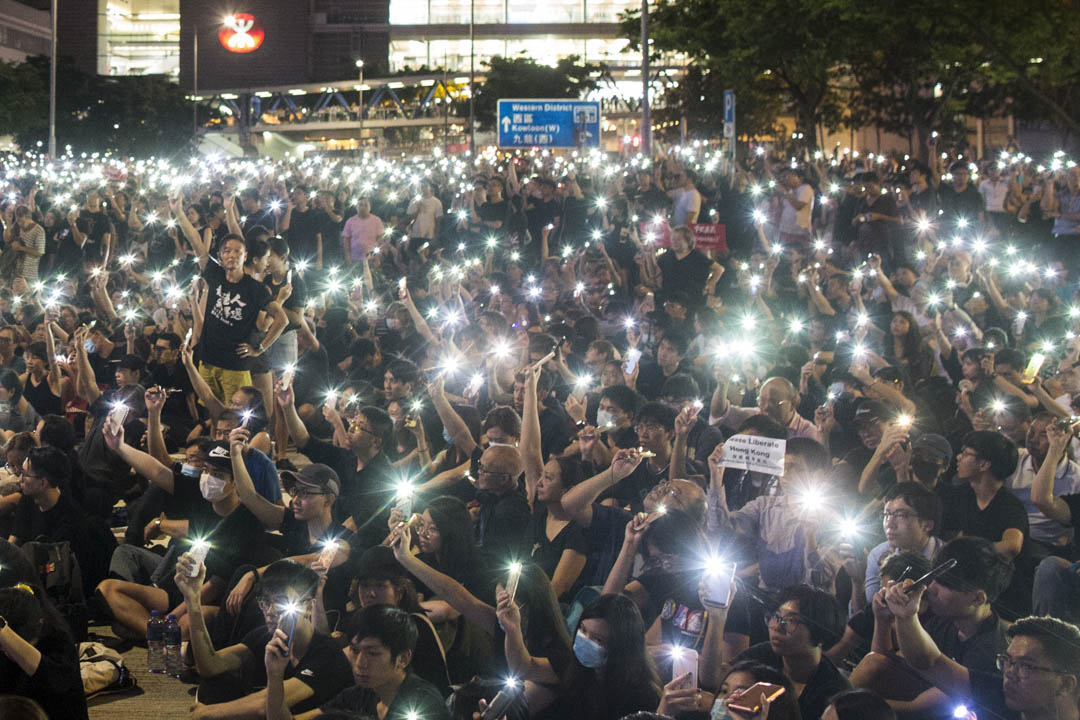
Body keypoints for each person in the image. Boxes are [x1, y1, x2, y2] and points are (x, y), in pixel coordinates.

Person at [178, 557, 353, 719]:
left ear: (307, 605)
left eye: (281, 601)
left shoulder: (327, 654)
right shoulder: (264, 635)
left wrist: (209, 713)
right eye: (266, 602)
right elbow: (211, 665)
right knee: (216, 682)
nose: (269, 611)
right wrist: (192, 600)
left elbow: (267, 704)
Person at [883, 579, 1080, 720]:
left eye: (1026, 666)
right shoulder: (1001, 694)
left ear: (1065, 684)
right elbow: (930, 663)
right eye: (1007, 661)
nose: (1010, 673)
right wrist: (906, 617)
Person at [497, 591, 661, 720]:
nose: (585, 640)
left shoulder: (642, 697)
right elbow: (524, 668)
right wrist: (513, 630)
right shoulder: (573, 663)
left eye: (597, 639)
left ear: (621, 648)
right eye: (583, 630)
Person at [273, 604, 450, 720]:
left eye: (372, 653)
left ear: (402, 659)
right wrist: (274, 673)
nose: (360, 662)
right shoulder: (359, 695)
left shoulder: (424, 704)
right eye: (355, 650)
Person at [733, 584, 850, 720]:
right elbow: (718, 679)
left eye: (791, 621)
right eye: (776, 616)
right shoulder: (763, 655)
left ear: (820, 634)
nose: (777, 627)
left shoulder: (833, 692)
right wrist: (718, 617)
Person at [0, 583, 88, 720]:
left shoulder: (59, 644)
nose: (7, 652)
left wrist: (6, 635)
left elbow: (53, 680)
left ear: (40, 625)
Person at [863, 482, 945, 601]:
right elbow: (871, 605)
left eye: (900, 515)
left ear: (927, 525)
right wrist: (856, 582)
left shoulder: (944, 559)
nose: (889, 524)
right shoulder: (878, 554)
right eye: (886, 514)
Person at [342, 198, 385, 262]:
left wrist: (378, 257)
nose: (363, 207)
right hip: (354, 258)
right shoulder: (350, 221)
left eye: (366, 205)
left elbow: (380, 239)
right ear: (356, 207)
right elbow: (346, 240)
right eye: (360, 205)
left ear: (370, 208)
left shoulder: (376, 220)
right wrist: (348, 256)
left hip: (371, 257)